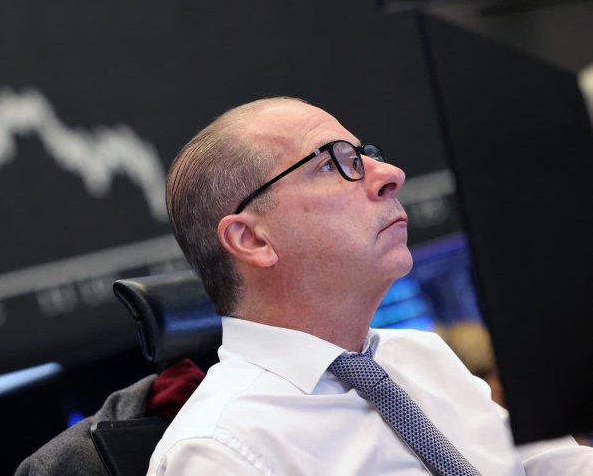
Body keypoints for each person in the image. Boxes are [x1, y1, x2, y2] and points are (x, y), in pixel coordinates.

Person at [148, 97, 593, 475]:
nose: (391, 174)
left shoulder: (420, 356)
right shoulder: (219, 450)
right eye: (331, 163)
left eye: (364, 155)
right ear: (252, 239)